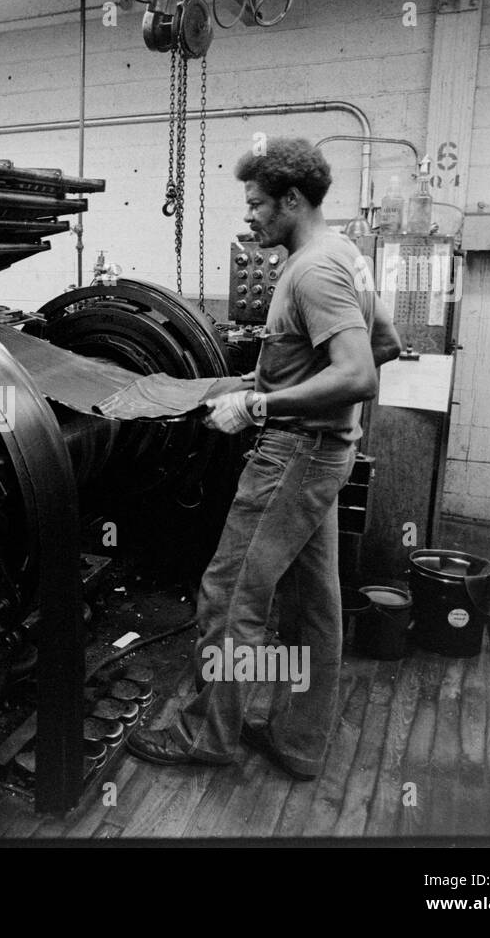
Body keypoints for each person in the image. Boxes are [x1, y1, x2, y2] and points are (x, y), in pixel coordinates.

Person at [127, 137, 402, 780]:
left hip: (295, 456)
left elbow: (359, 372)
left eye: (256, 205)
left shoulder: (310, 270)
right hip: (325, 451)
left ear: (293, 200)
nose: (248, 216)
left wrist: (264, 407)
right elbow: (386, 341)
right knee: (315, 604)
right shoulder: (344, 256)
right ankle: (301, 741)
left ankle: (209, 734)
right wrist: (291, 384)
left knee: (229, 597)